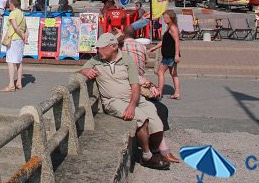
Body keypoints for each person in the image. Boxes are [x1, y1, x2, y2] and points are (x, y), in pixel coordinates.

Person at [76, 33, 170, 170]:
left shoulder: (126, 60)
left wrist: (132, 105)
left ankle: (155, 151)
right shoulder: (96, 60)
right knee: (142, 119)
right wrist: (84, 70)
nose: (98, 51)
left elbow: (135, 85)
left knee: (157, 124)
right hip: (113, 101)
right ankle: (146, 156)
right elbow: (75, 73)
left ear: (113, 47)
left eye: (101, 48)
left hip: (133, 98)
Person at [119, 26, 179, 163]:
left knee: (159, 109)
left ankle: (160, 149)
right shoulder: (140, 46)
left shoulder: (121, 47)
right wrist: (147, 83)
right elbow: (142, 65)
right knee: (159, 109)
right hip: (132, 86)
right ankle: (161, 150)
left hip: (136, 84)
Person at [149, 10, 181, 100]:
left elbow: (177, 42)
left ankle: (159, 92)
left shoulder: (173, 28)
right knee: (173, 74)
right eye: (164, 17)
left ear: (171, 18)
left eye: (166, 17)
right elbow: (164, 41)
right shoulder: (169, 27)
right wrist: (155, 48)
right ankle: (177, 93)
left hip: (169, 55)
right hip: (170, 54)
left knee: (160, 72)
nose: (164, 19)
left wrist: (176, 55)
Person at [2, 0, 27, 92]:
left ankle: (11, 85)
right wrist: (24, 37)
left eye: (10, 4)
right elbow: (25, 29)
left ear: (13, 4)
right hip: (20, 40)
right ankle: (19, 82)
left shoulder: (13, 13)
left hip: (13, 39)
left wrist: (21, 35)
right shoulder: (22, 13)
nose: (9, 5)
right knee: (19, 62)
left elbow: (15, 27)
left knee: (11, 61)